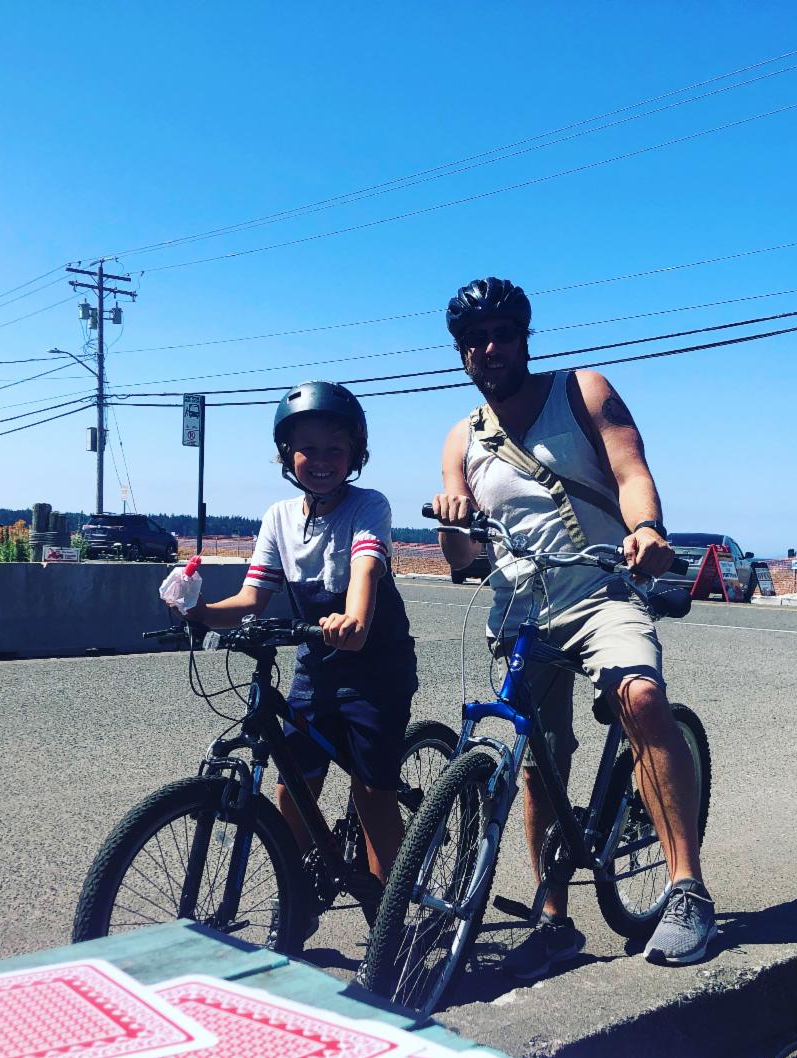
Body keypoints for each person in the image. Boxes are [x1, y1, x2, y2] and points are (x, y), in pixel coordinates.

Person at [431, 276, 715, 979]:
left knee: (640, 698)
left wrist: (646, 527)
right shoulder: (462, 437)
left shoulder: (581, 390)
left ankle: (687, 890)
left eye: (501, 334)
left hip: (599, 589)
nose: (489, 349)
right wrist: (452, 521)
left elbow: (630, 469)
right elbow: (461, 558)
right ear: (462, 352)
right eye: (474, 340)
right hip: (520, 610)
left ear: (524, 338)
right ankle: (553, 917)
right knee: (538, 761)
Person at [172, 381, 418, 880]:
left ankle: (388, 910)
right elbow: (250, 600)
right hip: (316, 666)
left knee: (372, 793)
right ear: (287, 454)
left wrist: (354, 620)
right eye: (307, 449)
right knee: (292, 787)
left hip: (376, 668)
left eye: (335, 449)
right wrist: (197, 610)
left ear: (356, 454)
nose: (321, 460)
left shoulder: (369, 505)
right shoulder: (279, 517)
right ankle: (305, 889)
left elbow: (366, 569)